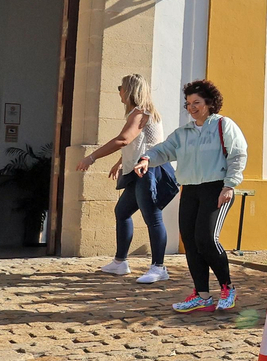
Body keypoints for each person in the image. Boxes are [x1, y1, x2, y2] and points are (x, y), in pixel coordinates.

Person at [135, 80, 246, 313]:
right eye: (188, 104)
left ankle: (227, 288)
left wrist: (229, 185)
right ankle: (202, 295)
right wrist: (146, 158)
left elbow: (237, 155)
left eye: (196, 102)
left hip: (217, 188)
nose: (192, 107)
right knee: (192, 243)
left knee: (207, 239)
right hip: (190, 190)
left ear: (209, 103)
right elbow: (163, 150)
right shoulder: (183, 133)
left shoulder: (223, 125)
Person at [78, 74, 175, 283]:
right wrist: (121, 163)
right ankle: (120, 262)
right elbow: (139, 143)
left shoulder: (141, 114)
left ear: (130, 90)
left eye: (120, 87)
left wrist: (92, 157)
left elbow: (123, 140)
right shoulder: (137, 113)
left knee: (153, 218)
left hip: (149, 172)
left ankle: (159, 267)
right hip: (139, 171)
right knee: (122, 212)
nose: (119, 91)